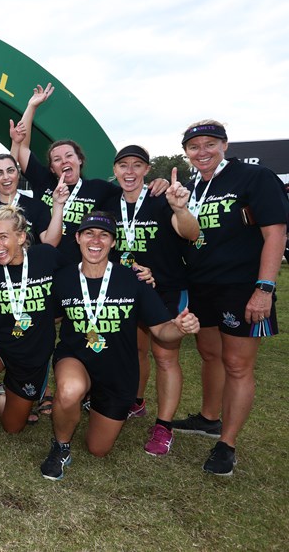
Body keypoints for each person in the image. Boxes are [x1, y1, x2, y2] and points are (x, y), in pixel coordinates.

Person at [40, 211, 200, 481]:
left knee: (98, 449)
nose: (96, 240)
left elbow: (162, 330)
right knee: (69, 390)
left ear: (113, 242)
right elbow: (47, 318)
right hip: (75, 358)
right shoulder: (63, 279)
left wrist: (180, 328)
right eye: (89, 233)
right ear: (78, 238)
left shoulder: (133, 280)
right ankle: (61, 446)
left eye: (104, 235)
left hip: (118, 370)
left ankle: (94, 403)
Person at [171, 121, 287, 475]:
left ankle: (228, 443)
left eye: (209, 144)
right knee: (210, 354)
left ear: (224, 144)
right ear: (186, 153)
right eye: (194, 146)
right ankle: (209, 418)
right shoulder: (192, 186)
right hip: (202, 284)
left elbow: (276, 233)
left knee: (237, 365)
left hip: (242, 286)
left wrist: (264, 288)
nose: (202, 151)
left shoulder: (253, 177)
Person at [102, 145, 200, 456]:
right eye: (123, 166)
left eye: (137, 166)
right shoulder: (108, 201)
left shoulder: (161, 199)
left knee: (165, 355)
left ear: (147, 170)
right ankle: (137, 401)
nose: (129, 172)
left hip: (166, 287)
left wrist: (181, 209)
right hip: (128, 290)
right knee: (137, 349)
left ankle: (164, 426)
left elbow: (192, 234)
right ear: (115, 170)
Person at [0, 201, 68, 476]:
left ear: (21, 237)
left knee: (13, 427)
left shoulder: (47, 257)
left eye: (3, 237)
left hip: (33, 353)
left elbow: (86, 275)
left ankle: (1, 394)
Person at [10, 84, 169, 263]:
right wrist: (32, 106)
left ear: (80, 160)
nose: (64, 161)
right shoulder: (44, 181)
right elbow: (22, 146)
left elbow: (132, 189)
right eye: (57, 159)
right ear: (52, 168)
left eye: (69, 156)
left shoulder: (98, 188)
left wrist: (161, 182)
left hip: (81, 269)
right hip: (45, 266)